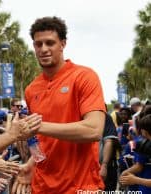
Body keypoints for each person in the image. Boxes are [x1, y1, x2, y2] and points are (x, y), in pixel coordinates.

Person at [12, 16, 106, 194]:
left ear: (62, 44)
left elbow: (94, 130)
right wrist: (31, 164)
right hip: (41, 187)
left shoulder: (84, 76)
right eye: (38, 44)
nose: (44, 49)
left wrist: (36, 126)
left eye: (50, 43)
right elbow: (39, 142)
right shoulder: (32, 89)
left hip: (81, 186)